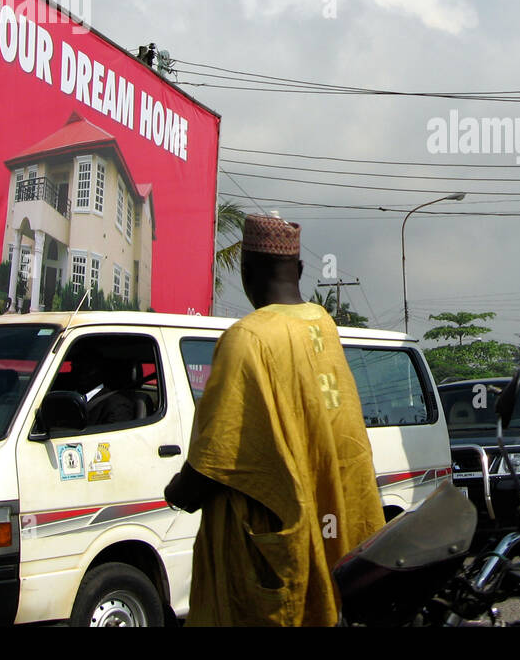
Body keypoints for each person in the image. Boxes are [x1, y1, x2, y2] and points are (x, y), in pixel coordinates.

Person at [163, 214, 383, 626]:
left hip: (267, 537)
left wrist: (179, 491)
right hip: (330, 517)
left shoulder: (248, 337)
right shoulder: (322, 322)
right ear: (299, 270)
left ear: (245, 272)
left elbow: (217, 458)